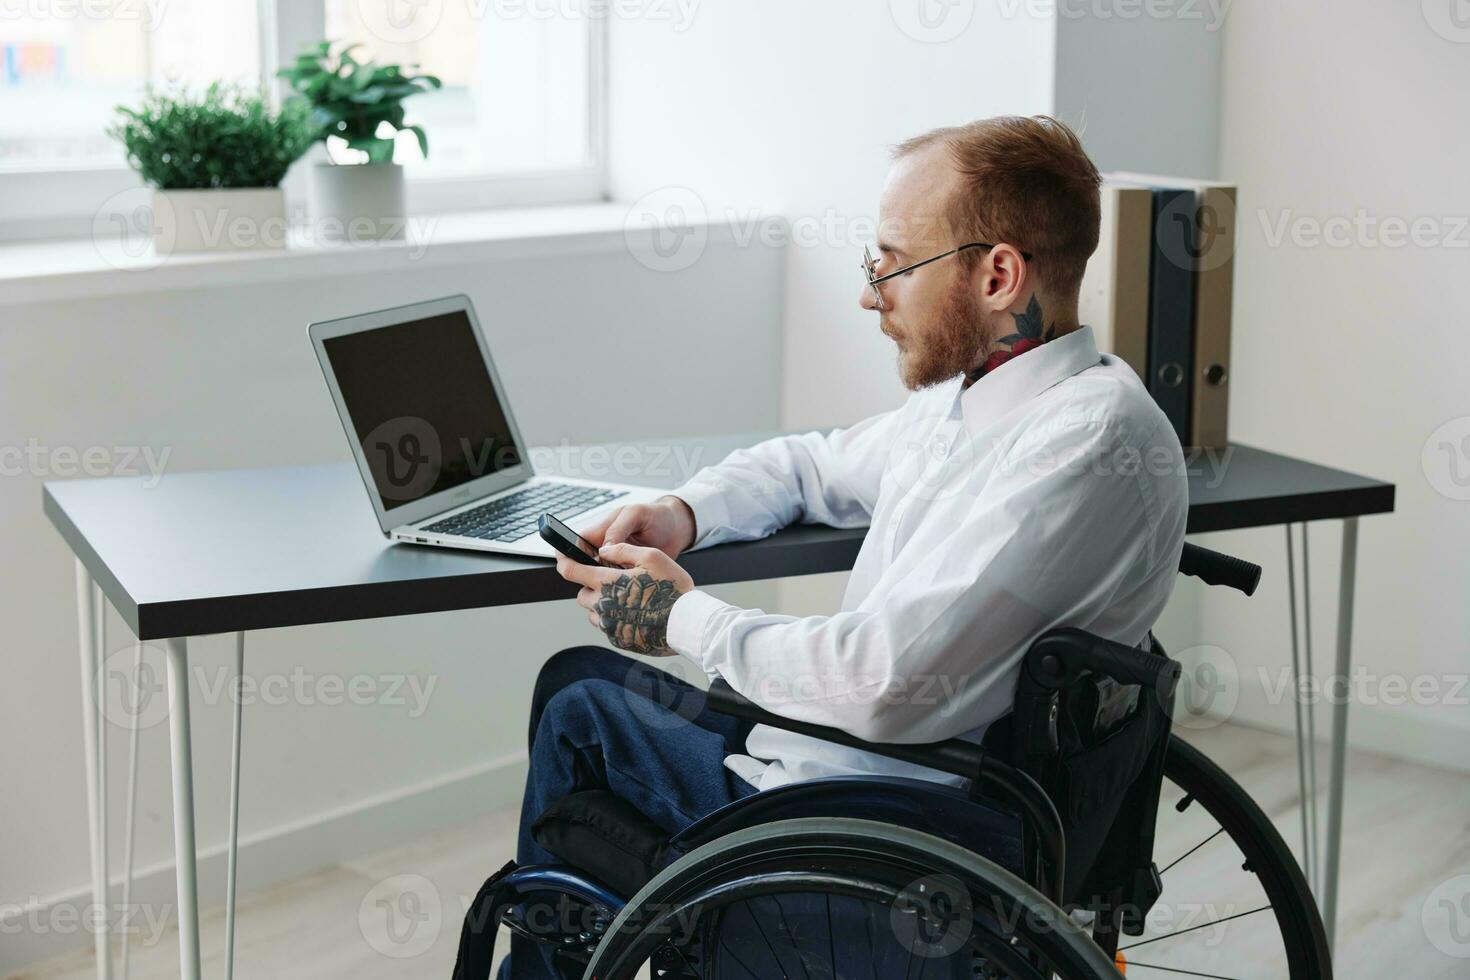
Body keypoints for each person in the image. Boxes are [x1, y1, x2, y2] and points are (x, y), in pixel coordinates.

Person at [504, 114, 1188, 977]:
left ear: (998, 274)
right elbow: (813, 467)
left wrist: (682, 619)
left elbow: (886, 684)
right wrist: (685, 511)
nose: (872, 294)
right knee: (584, 686)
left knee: (579, 708)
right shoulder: (990, 402)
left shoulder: (1083, 443)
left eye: (894, 263)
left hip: (887, 820)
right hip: (890, 773)